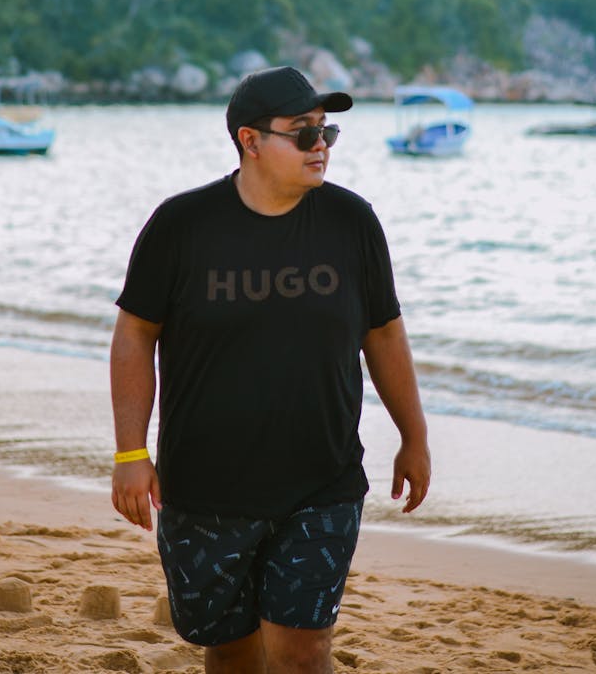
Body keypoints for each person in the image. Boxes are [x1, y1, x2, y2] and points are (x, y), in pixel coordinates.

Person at [110, 65, 431, 673]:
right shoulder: (181, 225)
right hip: (206, 487)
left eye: (326, 131)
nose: (321, 146)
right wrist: (131, 452)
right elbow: (134, 333)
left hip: (323, 482)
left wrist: (414, 436)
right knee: (229, 648)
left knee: (303, 649)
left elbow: (384, 332)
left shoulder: (352, 222)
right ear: (250, 141)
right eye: (303, 132)